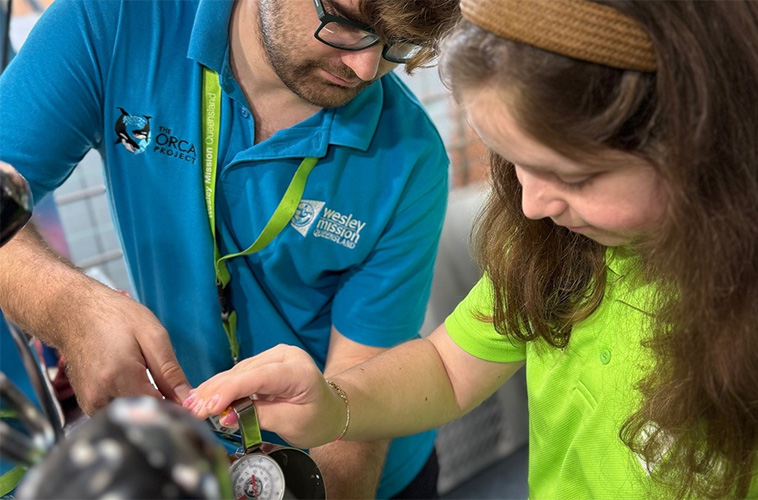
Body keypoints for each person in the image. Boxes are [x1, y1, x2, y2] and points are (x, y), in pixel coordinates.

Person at [185, 0, 758, 498]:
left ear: (703, 139)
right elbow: (450, 371)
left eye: (574, 176)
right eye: (515, 163)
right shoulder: (560, 245)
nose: (533, 205)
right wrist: (333, 406)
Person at [0, 0, 461, 497]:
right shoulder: (113, 20)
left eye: (399, 43)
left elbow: (356, 413)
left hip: (355, 467)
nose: (366, 68)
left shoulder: (409, 160)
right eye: (347, 24)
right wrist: (69, 308)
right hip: (200, 457)